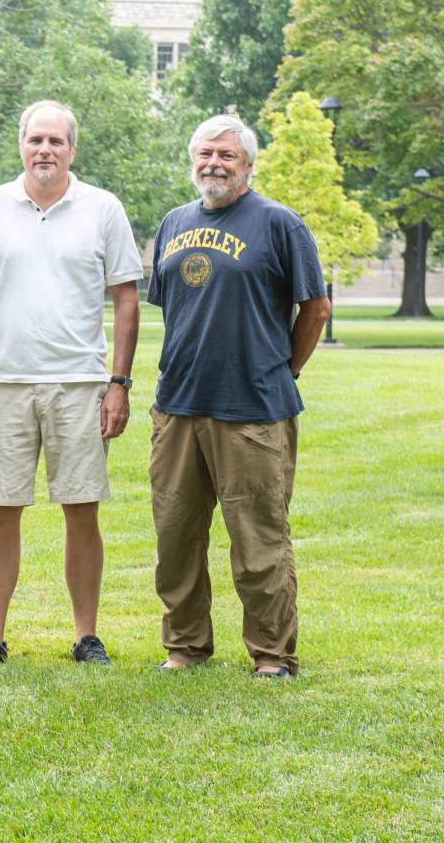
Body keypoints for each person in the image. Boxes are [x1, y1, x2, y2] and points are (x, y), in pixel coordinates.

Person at [147, 114, 330, 678]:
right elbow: (175, 309)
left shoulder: (279, 223)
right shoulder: (174, 223)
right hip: (178, 405)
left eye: (227, 155)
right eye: (205, 154)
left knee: (258, 539)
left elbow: (315, 307)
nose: (214, 164)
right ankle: (185, 646)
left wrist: (282, 370)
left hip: (252, 408)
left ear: (248, 164)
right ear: (192, 161)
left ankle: (273, 655)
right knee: (176, 537)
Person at [0, 100, 142, 669]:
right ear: (20, 144)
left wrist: (118, 382)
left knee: (81, 509)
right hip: (6, 383)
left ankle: (86, 635)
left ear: (72, 149)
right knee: (1, 509)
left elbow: (126, 297)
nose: (45, 150)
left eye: (56, 142)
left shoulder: (102, 208)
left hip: (80, 384)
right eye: (35, 140)